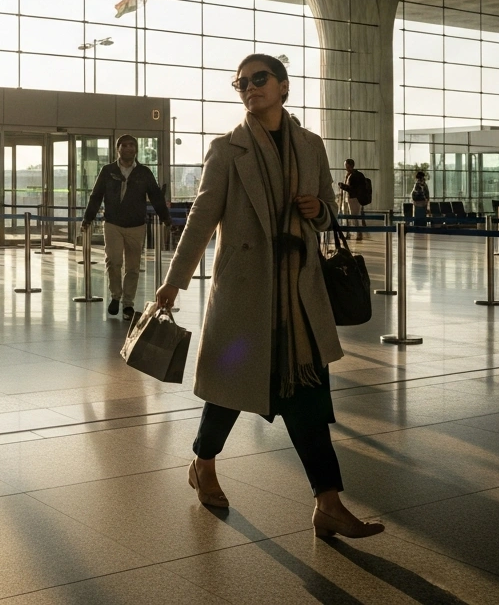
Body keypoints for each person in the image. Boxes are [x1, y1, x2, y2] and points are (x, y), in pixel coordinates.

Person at [155, 53, 383, 540]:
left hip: (299, 298)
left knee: (309, 400)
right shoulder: (227, 150)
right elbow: (200, 218)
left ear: (283, 86)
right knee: (229, 392)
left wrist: (319, 208)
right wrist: (175, 280)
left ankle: (328, 503)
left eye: (259, 79)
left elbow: (327, 214)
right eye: (241, 82)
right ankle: (203, 462)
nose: (249, 88)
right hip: (245, 294)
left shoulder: (311, 145)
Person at [82, 134, 172, 320]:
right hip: (113, 224)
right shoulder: (108, 171)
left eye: (132, 145)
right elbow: (96, 196)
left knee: (132, 267)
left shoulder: (144, 172)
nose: (129, 148)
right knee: (113, 262)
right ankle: (115, 296)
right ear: (118, 149)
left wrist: (166, 219)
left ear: (136, 149)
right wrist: (87, 218)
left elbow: (156, 196)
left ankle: (128, 304)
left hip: (136, 226)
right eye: (125, 145)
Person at [338, 159, 370, 240]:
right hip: (347, 198)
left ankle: (359, 234)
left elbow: (354, 189)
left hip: (354, 199)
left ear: (350, 165)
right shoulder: (349, 174)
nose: (345, 167)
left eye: (346, 166)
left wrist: (343, 186)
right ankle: (348, 233)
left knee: (354, 216)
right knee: (347, 217)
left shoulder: (356, 175)